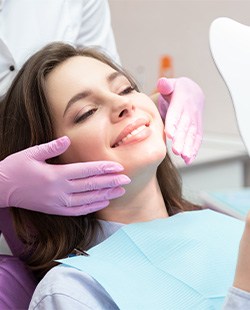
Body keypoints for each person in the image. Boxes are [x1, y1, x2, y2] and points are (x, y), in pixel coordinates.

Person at [0, 42, 249, 309]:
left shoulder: (227, 228)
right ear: (50, 164)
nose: (123, 103)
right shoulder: (73, 290)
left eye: (126, 88)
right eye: (87, 112)